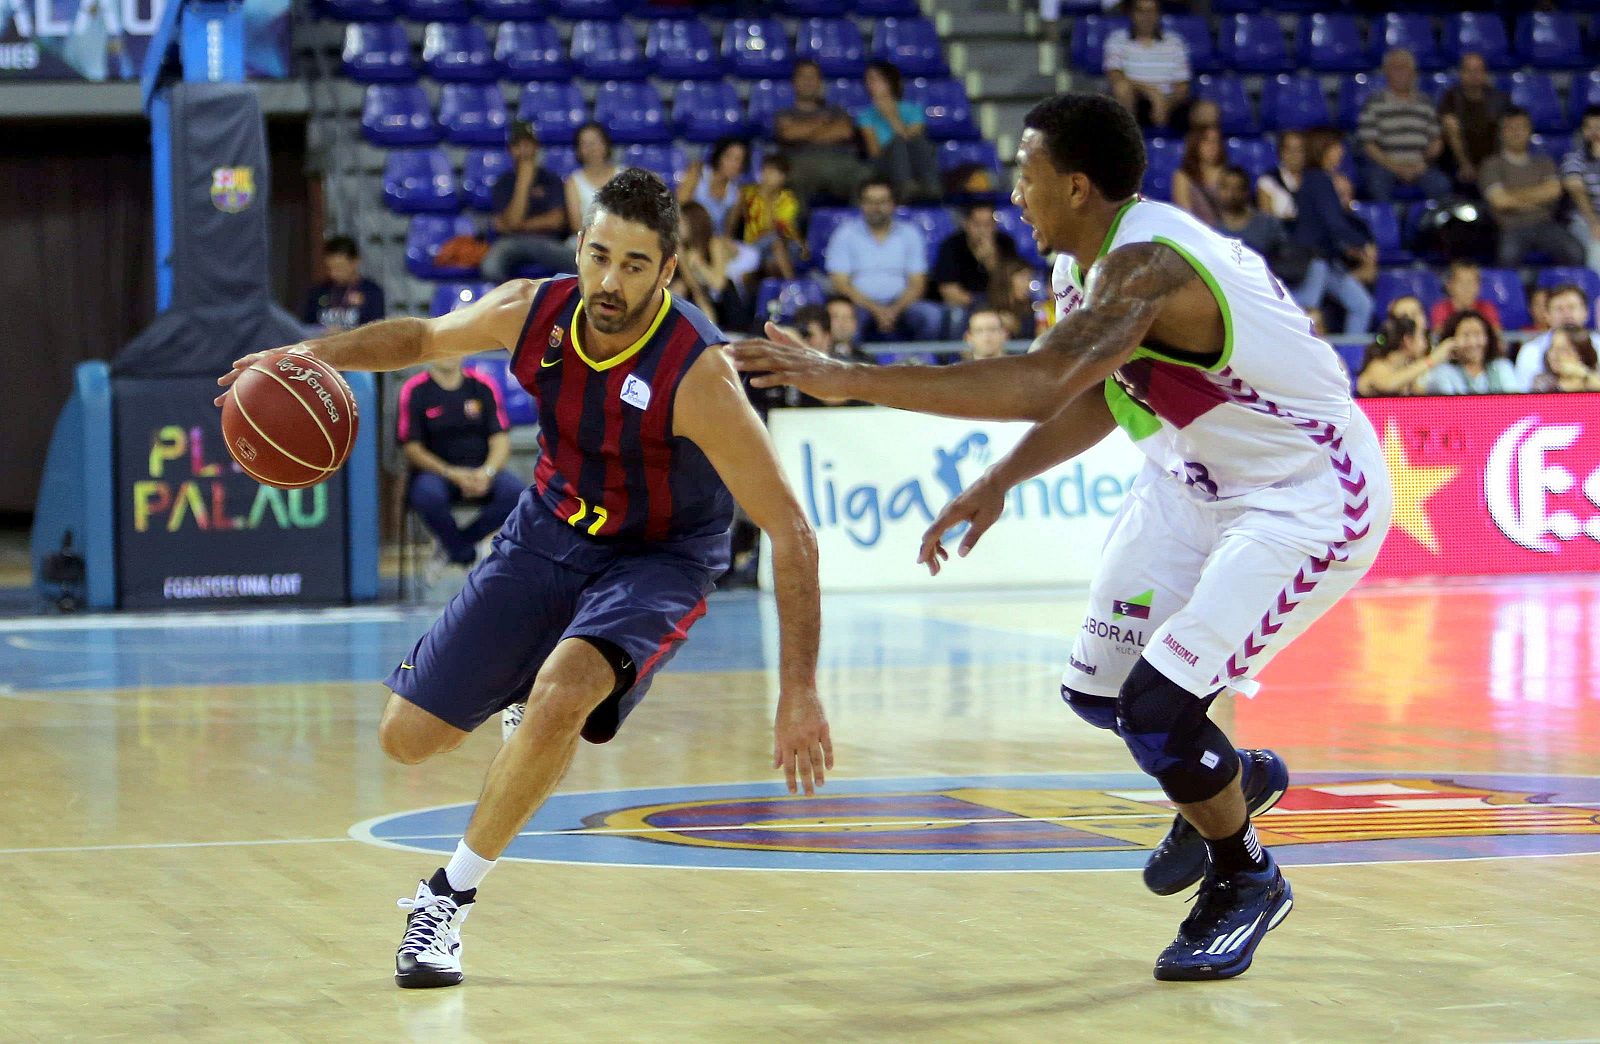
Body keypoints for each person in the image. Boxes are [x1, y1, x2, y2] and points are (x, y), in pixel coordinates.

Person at [732, 93, 1393, 984]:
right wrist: (1001, 479)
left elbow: (1044, 378)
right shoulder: (1083, 270)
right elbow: (1088, 395)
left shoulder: (1150, 266)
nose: (1014, 194)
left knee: (1161, 712)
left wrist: (849, 378)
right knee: (1104, 694)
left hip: (1304, 497)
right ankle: (1231, 777)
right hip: (1192, 482)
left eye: (1026, 175)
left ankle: (1247, 876)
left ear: (1077, 187)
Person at [216, 168, 832, 990]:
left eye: (636, 265)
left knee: (564, 691)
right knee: (406, 738)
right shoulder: (530, 311)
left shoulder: (699, 376)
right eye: (600, 256)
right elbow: (422, 341)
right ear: (578, 246)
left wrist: (797, 690)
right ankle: (524, 693)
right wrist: (306, 353)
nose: (611, 281)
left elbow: (791, 531)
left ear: (669, 272)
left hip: (658, 557)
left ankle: (446, 900)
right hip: (548, 525)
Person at [397, 358, 523, 567]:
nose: (449, 352)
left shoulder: (483, 385)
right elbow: (412, 448)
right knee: (427, 495)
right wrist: (451, 473)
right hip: (437, 472)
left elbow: (500, 438)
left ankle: (454, 544)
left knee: (517, 494)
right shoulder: (415, 389)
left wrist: (488, 471)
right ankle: (462, 551)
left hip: (481, 469)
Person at [824, 177, 950, 342]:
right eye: (870, 201)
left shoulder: (910, 234)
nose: (876, 207)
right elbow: (840, 284)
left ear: (893, 204)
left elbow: (918, 283)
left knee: (932, 316)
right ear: (861, 204)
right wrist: (876, 309)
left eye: (882, 201)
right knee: (844, 320)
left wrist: (894, 310)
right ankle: (853, 363)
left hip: (903, 304)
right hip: (859, 304)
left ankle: (922, 365)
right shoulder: (845, 234)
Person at [1481, 109, 1585, 269]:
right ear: (1502, 133)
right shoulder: (1492, 165)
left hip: (1545, 224)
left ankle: (1563, 292)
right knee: (1506, 258)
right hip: (1510, 227)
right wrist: (1537, 197)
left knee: (1576, 252)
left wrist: (1513, 195)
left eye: (1521, 127)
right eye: (1511, 128)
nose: (1516, 133)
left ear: (1530, 131)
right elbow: (1500, 201)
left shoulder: (1544, 161)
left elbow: (1554, 191)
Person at [1291, 134, 1375, 335]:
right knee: (1306, 312)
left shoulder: (1316, 178)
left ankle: (1350, 359)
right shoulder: (1318, 179)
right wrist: (1362, 243)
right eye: (1336, 148)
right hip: (1314, 259)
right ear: (1323, 150)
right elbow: (1333, 222)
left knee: (1362, 305)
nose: (1341, 153)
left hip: (1328, 259)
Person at [482, 122, 576, 282]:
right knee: (490, 267)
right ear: (510, 150)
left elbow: (556, 221)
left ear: (536, 147)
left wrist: (518, 226)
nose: (524, 151)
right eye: (518, 146)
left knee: (581, 263)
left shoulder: (550, 179)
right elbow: (511, 221)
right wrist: (523, 182)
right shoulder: (503, 182)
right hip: (511, 243)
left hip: (548, 242)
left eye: (528, 144)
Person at [1358, 48, 1452, 203]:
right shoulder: (1374, 103)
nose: (1401, 73)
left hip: (1420, 165)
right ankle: (1386, 226)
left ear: (1414, 73)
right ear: (1386, 73)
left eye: (1405, 68)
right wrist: (1395, 167)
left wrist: (1423, 163)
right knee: (1376, 185)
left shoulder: (1426, 103)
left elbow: (1437, 141)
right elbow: (1369, 145)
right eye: (1396, 68)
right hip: (1385, 166)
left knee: (1441, 185)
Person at [775, 59, 870, 205]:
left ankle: (858, 225)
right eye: (803, 76)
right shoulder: (784, 113)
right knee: (788, 179)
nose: (808, 81)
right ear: (794, 82)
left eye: (812, 77)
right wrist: (824, 124)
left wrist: (805, 132)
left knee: (866, 176)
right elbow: (789, 133)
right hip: (802, 165)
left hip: (840, 164)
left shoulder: (837, 110)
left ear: (820, 82)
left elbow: (844, 132)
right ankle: (799, 227)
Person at [856, 60, 942, 203]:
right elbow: (874, 153)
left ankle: (932, 187)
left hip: (915, 160)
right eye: (868, 80)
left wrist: (892, 117)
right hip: (884, 164)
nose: (870, 84)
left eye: (875, 79)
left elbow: (913, 138)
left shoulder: (912, 110)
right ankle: (905, 186)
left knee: (919, 142)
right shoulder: (865, 116)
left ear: (889, 81)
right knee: (897, 143)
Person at [1104, 0, 1192, 135]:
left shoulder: (1175, 42)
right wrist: (1152, 92)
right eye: (1141, 11)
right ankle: (1128, 141)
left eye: (1151, 11)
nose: (1147, 16)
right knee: (1121, 88)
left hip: (1170, 103)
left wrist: (1166, 105)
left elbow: (1182, 86)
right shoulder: (1117, 40)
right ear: (1132, 14)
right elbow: (1115, 77)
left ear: (1158, 14)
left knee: (1208, 111)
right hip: (1136, 102)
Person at [671, 200, 756, 332]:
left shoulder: (715, 243)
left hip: (727, 304)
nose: (676, 227)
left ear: (693, 222)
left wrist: (700, 265)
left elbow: (719, 284)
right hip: (704, 303)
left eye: (681, 222)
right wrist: (683, 260)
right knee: (679, 287)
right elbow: (694, 287)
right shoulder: (681, 250)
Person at [932, 203, 1020, 316]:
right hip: (966, 303)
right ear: (966, 224)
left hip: (998, 302)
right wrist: (980, 305)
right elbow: (949, 291)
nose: (983, 230)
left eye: (988, 225)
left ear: (995, 225)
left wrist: (990, 260)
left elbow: (1010, 284)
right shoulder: (951, 245)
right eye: (977, 225)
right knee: (956, 314)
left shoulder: (1005, 243)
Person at [1438, 52, 1509, 189]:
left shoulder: (1499, 98)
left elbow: (1507, 131)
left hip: (1493, 162)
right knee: (1451, 125)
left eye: (1478, 70)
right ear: (1461, 73)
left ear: (1485, 73)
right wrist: (1465, 164)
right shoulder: (1451, 97)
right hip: (1457, 164)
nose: (1474, 75)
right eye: (1469, 70)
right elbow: (1449, 128)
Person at [732, 152, 806, 281]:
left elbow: (778, 228)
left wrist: (768, 199)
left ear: (783, 178)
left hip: (784, 243)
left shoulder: (788, 199)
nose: (767, 176)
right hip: (754, 243)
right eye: (766, 170)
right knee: (774, 243)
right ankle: (792, 284)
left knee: (775, 255)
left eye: (774, 173)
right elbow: (734, 220)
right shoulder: (747, 194)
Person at [1513, 283, 1591, 389]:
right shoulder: (1530, 351)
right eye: (1559, 309)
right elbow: (1522, 395)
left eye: (1572, 307)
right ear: (1547, 316)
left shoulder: (1598, 344)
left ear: (1586, 312)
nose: (1567, 314)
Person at [1424, 309, 1518, 394]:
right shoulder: (1443, 372)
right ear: (1451, 340)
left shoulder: (1502, 367)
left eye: (1478, 334)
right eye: (1466, 335)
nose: (1473, 342)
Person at [303, 236, 386, 333]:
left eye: (339, 268)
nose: (333, 274)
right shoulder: (318, 292)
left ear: (355, 262)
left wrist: (344, 333)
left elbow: (376, 332)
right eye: (330, 268)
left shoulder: (371, 292)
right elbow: (305, 328)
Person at [1355, 314, 1452, 396]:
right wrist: (1432, 359)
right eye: (1422, 336)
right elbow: (1389, 385)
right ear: (1408, 340)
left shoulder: (1407, 368)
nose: (1425, 343)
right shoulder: (1377, 366)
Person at [677, 137, 747, 236]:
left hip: (715, 241)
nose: (734, 164)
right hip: (688, 234)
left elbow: (728, 232)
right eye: (729, 157)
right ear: (719, 156)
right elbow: (679, 208)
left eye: (739, 160)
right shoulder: (697, 173)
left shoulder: (736, 194)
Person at [1560, 106, 1600, 275]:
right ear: (1583, 131)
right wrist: (1594, 223)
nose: (1594, 133)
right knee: (1597, 248)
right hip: (1583, 221)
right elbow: (1577, 191)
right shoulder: (1573, 159)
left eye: (1599, 127)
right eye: (1589, 128)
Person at [563, 122, 619, 241]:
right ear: (578, 150)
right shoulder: (573, 181)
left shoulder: (625, 176)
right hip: (587, 240)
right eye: (585, 144)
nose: (591, 148)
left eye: (595, 142)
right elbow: (575, 224)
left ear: (606, 144)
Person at [1171, 124, 1225, 225]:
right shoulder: (1183, 176)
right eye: (1206, 141)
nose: (1213, 146)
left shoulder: (1228, 173)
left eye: (1216, 141)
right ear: (1196, 144)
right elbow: (1185, 214)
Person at [1428, 261, 1502, 331]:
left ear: (1479, 286)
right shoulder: (1440, 309)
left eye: (1471, 282)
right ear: (1449, 285)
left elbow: (1496, 336)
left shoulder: (1487, 308)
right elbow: (1439, 336)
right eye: (1461, 282)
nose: (1467, 288)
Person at [1529, 325, 1600, 393]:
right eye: (1552, 347)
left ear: (1581, 354)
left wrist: (1585, 375)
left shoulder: (1593, 379)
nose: (1554, 355)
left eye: (1563, 350)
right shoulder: (1542, 383)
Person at [1255, 131, 1305, 222]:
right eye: (1289, 150)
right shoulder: (1267, 182)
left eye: (1299, 150)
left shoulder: (1316, 180)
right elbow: (1266, 223)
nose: (1294, 155)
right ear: (1281, 152)